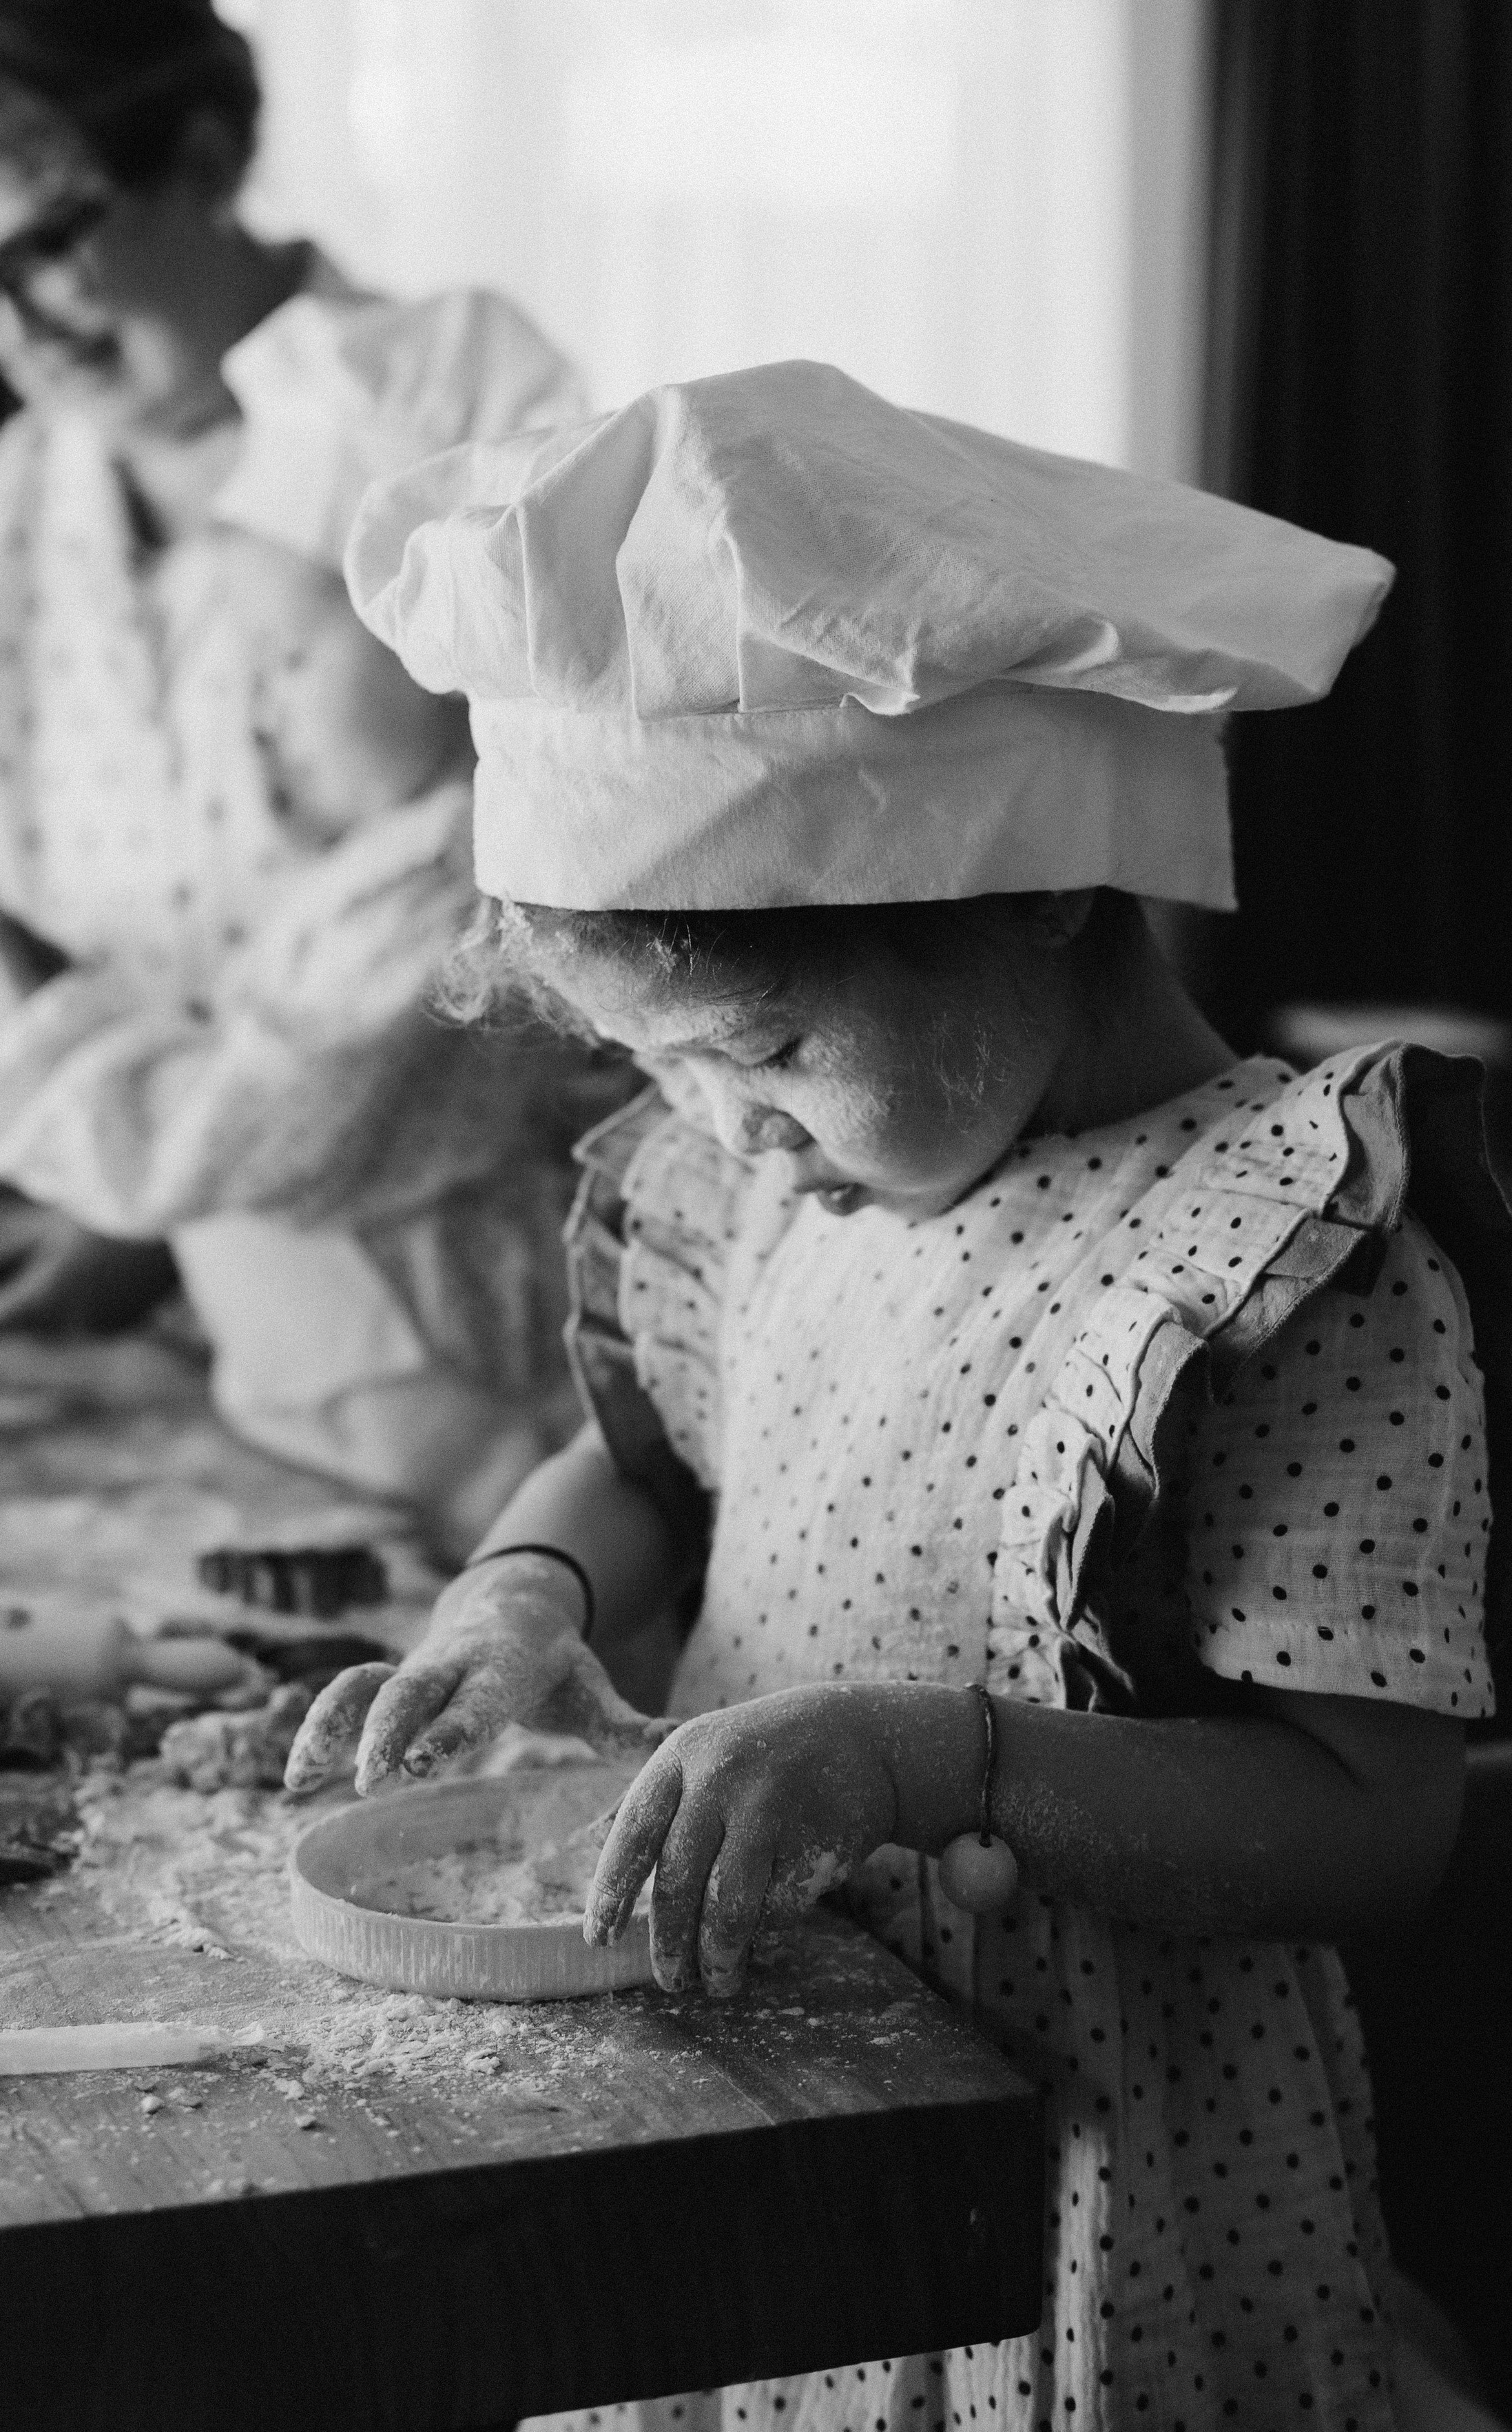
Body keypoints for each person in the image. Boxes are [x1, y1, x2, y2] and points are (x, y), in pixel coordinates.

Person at [285, 361, 1509, 2429]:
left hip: (1105, 2169)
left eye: (757, 1047)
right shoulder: (792, 1196)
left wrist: (940, 1761)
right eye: (661, 1072)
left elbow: (1367, 1828)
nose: (727, 1129)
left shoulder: (1285, 1248)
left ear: (1031, 885)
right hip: (769, 2079)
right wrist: (526, 1592)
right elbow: (644, 1467)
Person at [0, 0, 614, 1559]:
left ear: (205, 159)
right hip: (245, 1322)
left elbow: (442, 939)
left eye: (43, 242)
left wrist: (127, 1129)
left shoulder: (445, 434)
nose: (3, 324)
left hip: (505, 1314)